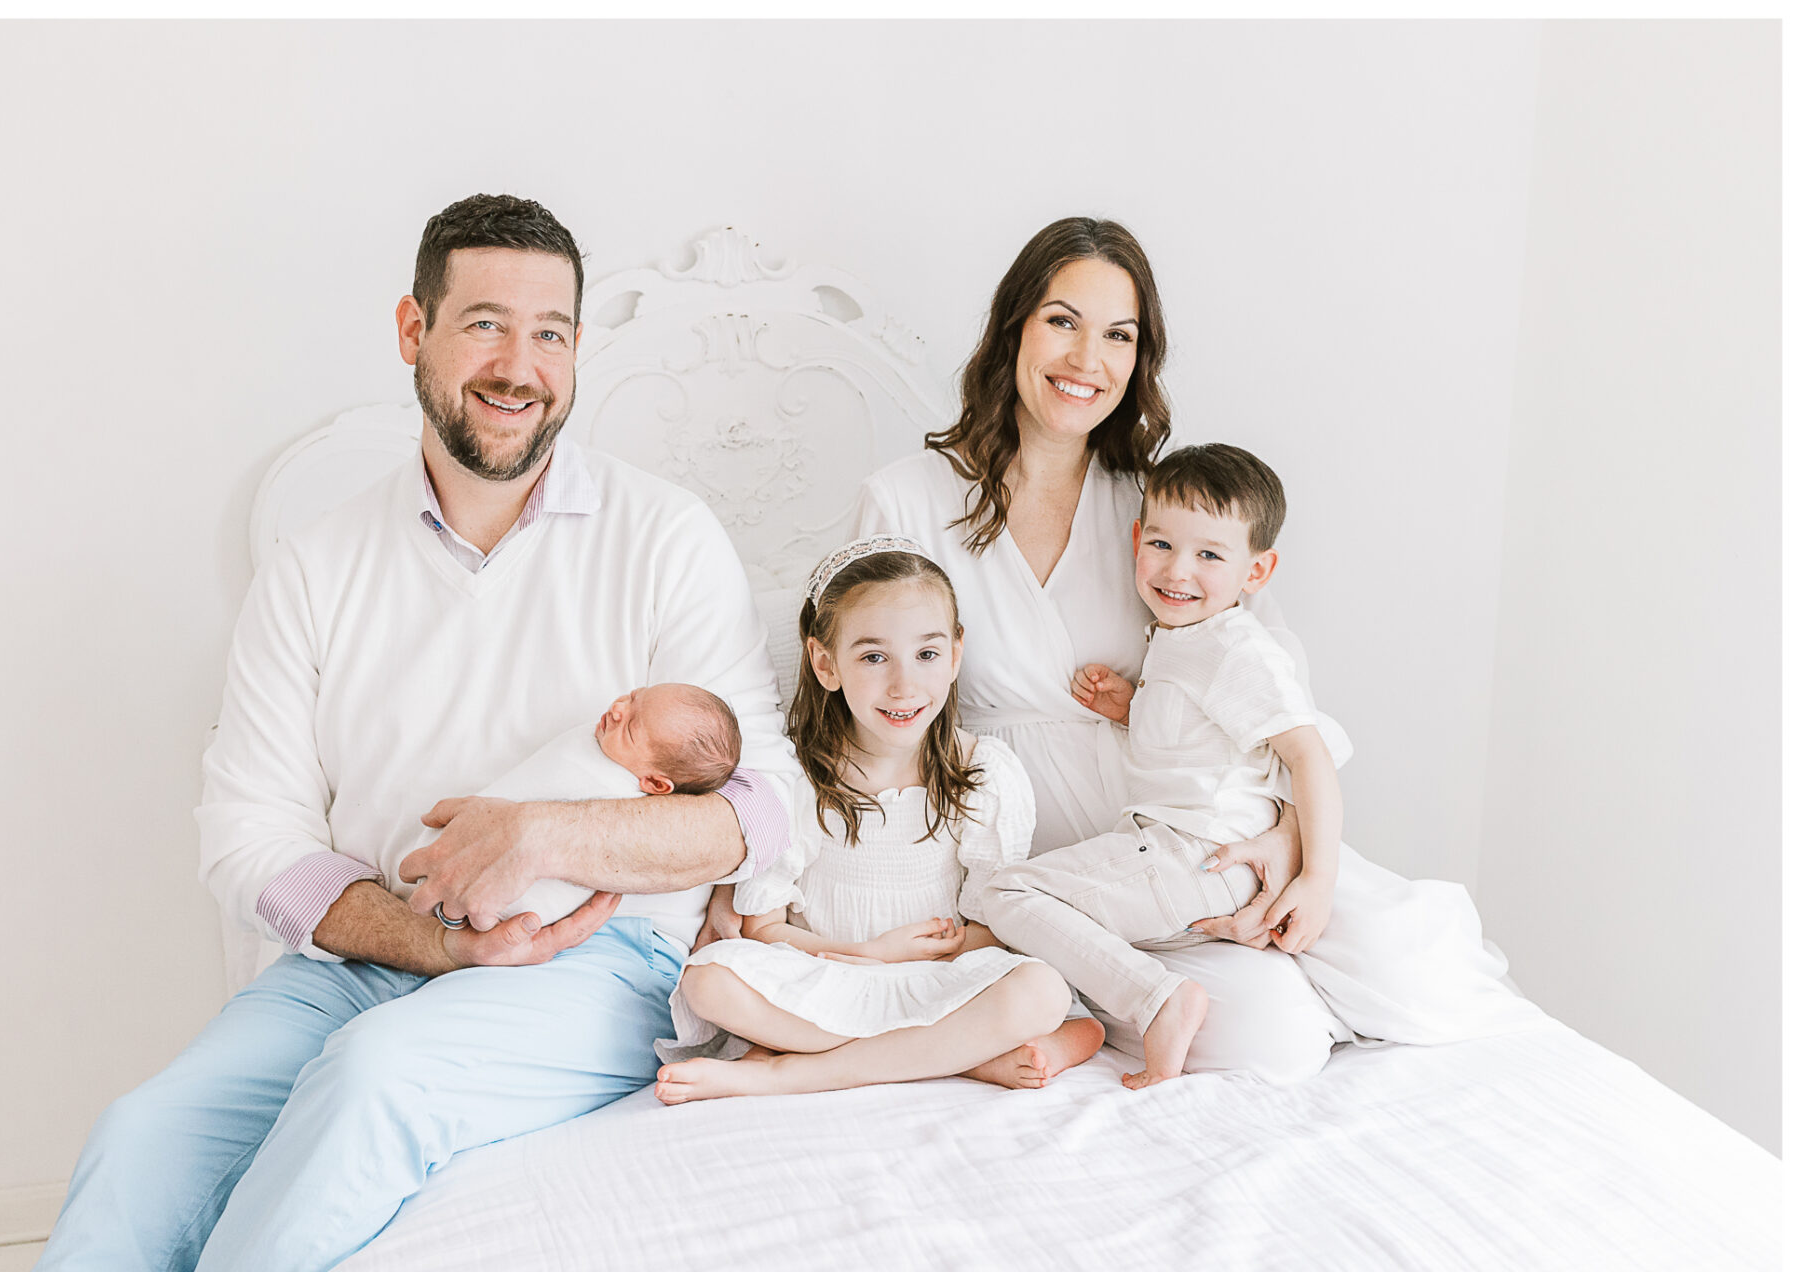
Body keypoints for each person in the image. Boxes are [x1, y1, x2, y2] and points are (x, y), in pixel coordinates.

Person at [34, 194, 800, 1272]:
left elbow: (760, 812)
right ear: (413, 331)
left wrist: (540, 838)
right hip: (365, 954)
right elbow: (247, 833)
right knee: (140, 1134)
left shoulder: (665, 536)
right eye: (484, 322)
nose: (519, 365)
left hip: (596, 966)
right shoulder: (315, 566)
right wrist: (435, 940)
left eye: (551, 333)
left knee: (376, 1079)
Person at [853, 216, 1527, 1083]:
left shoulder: (1163, 508)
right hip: (1045, 855)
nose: (1086, 358)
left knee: (1409, 980)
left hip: (1196, 830)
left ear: (1140, 359)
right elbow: (861, 714)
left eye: (1119, 335)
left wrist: (1289, 836)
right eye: (1062, 320)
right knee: (1266, 1040)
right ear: (1013, 326)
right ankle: (1078, 989)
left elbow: (1277, 683)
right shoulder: (906, 502)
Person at [985, 443, 1541, 1089]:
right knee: (1046, 912)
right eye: (1162, 544)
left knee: (1002, 892)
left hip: (1196, 854)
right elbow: (1203, 743)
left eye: (1210, 555)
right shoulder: (1179, 638)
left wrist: (1318, 878)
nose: (1177, 570)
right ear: (1137, 538)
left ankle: (1154, 998)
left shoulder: (1234, 646)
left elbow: (1309, 755)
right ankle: (1119, 1005)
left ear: (1257, 570)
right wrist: (1129, 707)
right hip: (1195, 856)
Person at [652, 538, 1104, 1103]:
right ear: (825, 663)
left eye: (927, 654)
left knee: (1040, 990)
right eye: (873, 657)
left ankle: (788, 1072)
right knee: (707, 981)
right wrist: (872, 954)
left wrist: (931, 953)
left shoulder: (983, 773)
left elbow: (998, 924)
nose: (903, 685)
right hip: (825, 979)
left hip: (940, 979)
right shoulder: (796, 780)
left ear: (956, 653)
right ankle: (953, 1056)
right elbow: (761, 930)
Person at [466, 682, 745, 927]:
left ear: (655, 785)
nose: (618, 709)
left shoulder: (624, 805)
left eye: (632, 728)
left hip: (507, 907)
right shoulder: (596, 742)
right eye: (635, 696)